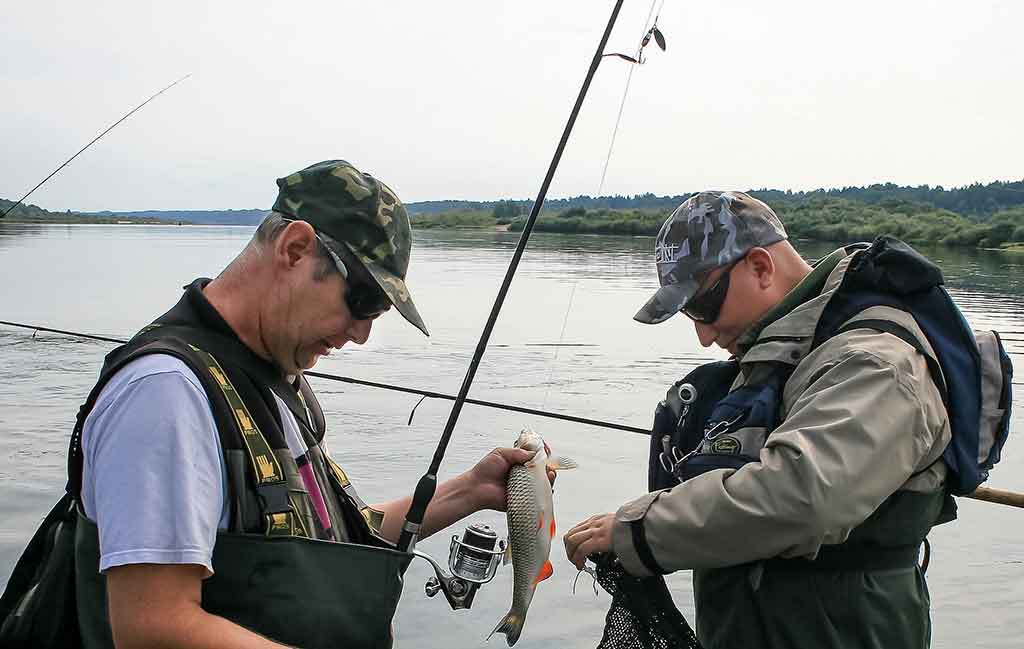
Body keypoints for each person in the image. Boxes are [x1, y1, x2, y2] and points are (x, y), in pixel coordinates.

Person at [74, 160, 548, 649]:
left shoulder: (275, 376)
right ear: (295, 248)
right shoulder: (166, 393)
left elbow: (330, 540)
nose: (362, 334)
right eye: (363, 300)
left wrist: (470, 490)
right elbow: (153, 626)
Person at [564, 191, 953, 648]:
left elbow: (801, 497)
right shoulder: (783, 355)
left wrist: (638, 532)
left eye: (704, 307)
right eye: (689, 314)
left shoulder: (875, 362)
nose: (703, 335)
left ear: (761, 267)